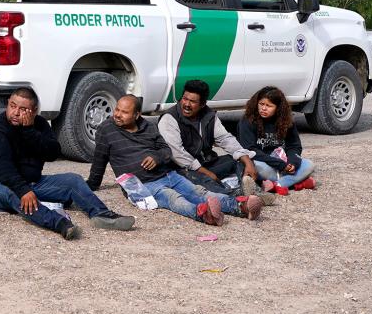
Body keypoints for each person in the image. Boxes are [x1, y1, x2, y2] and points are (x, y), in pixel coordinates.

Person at [0, 87, 135, 240]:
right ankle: (59, 223)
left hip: (32, 182)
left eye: (23, 109)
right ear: (8, 103)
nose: (15, 113)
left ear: (34, 111)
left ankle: (102, 216)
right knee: (14, 193)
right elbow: (3, 169)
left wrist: (29, 131)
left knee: (73, 180)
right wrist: (23, 190)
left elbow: (52, 153)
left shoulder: (39, 125)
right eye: (12, 106)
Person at [86, 95, 263, 225]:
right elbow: (99, 159)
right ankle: (204, 214)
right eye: (117, 109)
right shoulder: (106, 129)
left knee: (200, 192)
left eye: (124, 112)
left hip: (168, 175)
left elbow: (165, 150)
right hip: (142, 185)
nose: (117, 114)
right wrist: (91, 185)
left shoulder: (148, 127)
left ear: (137, 115)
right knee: (174, 198)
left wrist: (156, 157)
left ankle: (240, 207)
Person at [159, 79, 275, 206]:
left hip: (206, 163)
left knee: (240, 159)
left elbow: (225, 139)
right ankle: (236, 198)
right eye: (185, 99)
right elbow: (177, 154)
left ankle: (251, 191)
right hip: (182, 170)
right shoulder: (169, 118)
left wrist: (246, 160)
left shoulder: (208, 115)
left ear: (202, 104)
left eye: (192, 101)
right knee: (202, 181)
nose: (186, 104)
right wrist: (206, 173)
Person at [237, 86, 316, 193]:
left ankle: (277, 185)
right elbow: (250, 150)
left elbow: (294, 146)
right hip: (263, 162)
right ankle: (296, 182)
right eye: (261, 104)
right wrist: (279, 165)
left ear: (278, 108)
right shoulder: (247, 121)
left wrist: (293, 162)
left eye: (269, 106)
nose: (263, 108)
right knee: (256, 166)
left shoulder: (286, 121)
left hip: (283, 162)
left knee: (309, 165)